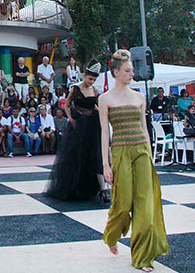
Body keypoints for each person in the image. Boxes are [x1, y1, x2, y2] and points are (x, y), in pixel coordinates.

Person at [100, 49, 169, 272]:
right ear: (116, 73)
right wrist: (106, 164)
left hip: (141, 151)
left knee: (145, 205)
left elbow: (144, 128)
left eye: (132, 70)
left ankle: (142, 257)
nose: (132, 74)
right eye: (128, 70)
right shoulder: (105, 99)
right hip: (120, 151)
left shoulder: (140, 97)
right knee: (122, 204)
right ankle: (112, 236)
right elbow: (104, 133)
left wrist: (150, 156)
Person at [45, 60, 108, 202]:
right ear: (84, 76)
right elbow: (66, 105)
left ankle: (102, 189)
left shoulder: (94, 90)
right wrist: (70, 118)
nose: (91, 82)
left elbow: (96, 106)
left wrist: (103, 115)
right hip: (79, 126)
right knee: (77, 156)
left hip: (93, 124)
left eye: (94, 79)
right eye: (90, 79)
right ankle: (75, 187)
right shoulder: (75, 89)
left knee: (96, 155)